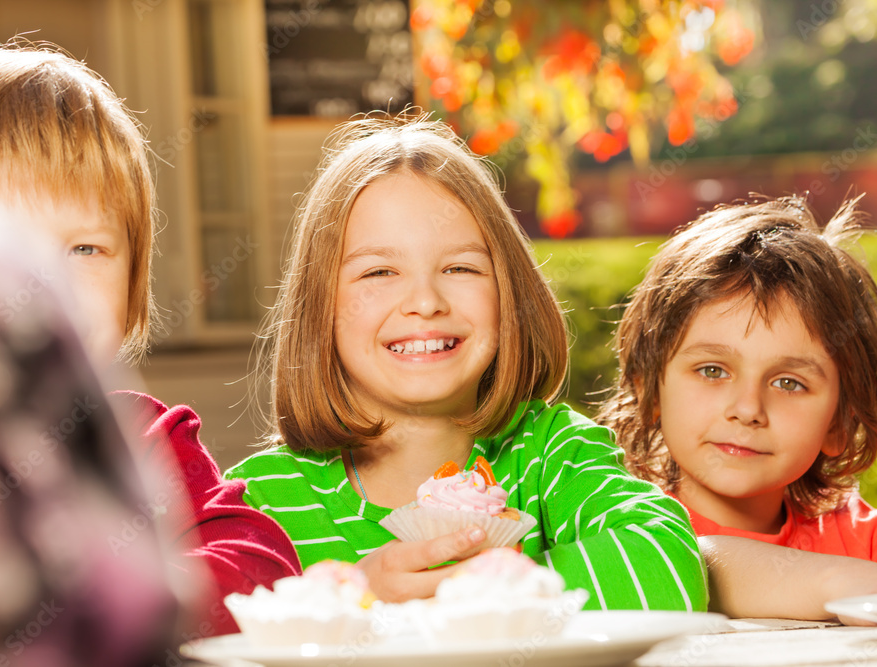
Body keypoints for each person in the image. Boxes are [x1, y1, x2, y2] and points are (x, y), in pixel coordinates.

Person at [224, 114, 707, 610]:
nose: (425, 301)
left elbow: (667, 566)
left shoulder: (551, 455)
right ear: (319, 306)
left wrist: (474, 591)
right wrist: (355, 598)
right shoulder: (262, 500)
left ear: (508, 292)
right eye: (379, 271)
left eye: (460, 267)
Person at [0, 42, 301, 637]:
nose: (44, 289)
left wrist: (125, 600)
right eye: (7, 250)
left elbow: (258, 567)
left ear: (134, 282)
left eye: (84, 250)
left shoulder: (141, 442)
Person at [598, 194, 877, 619]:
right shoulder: (609, 533)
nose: (747, 409)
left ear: (839, 424)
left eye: (789, 383)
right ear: (650, 391)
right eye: (712, 371)